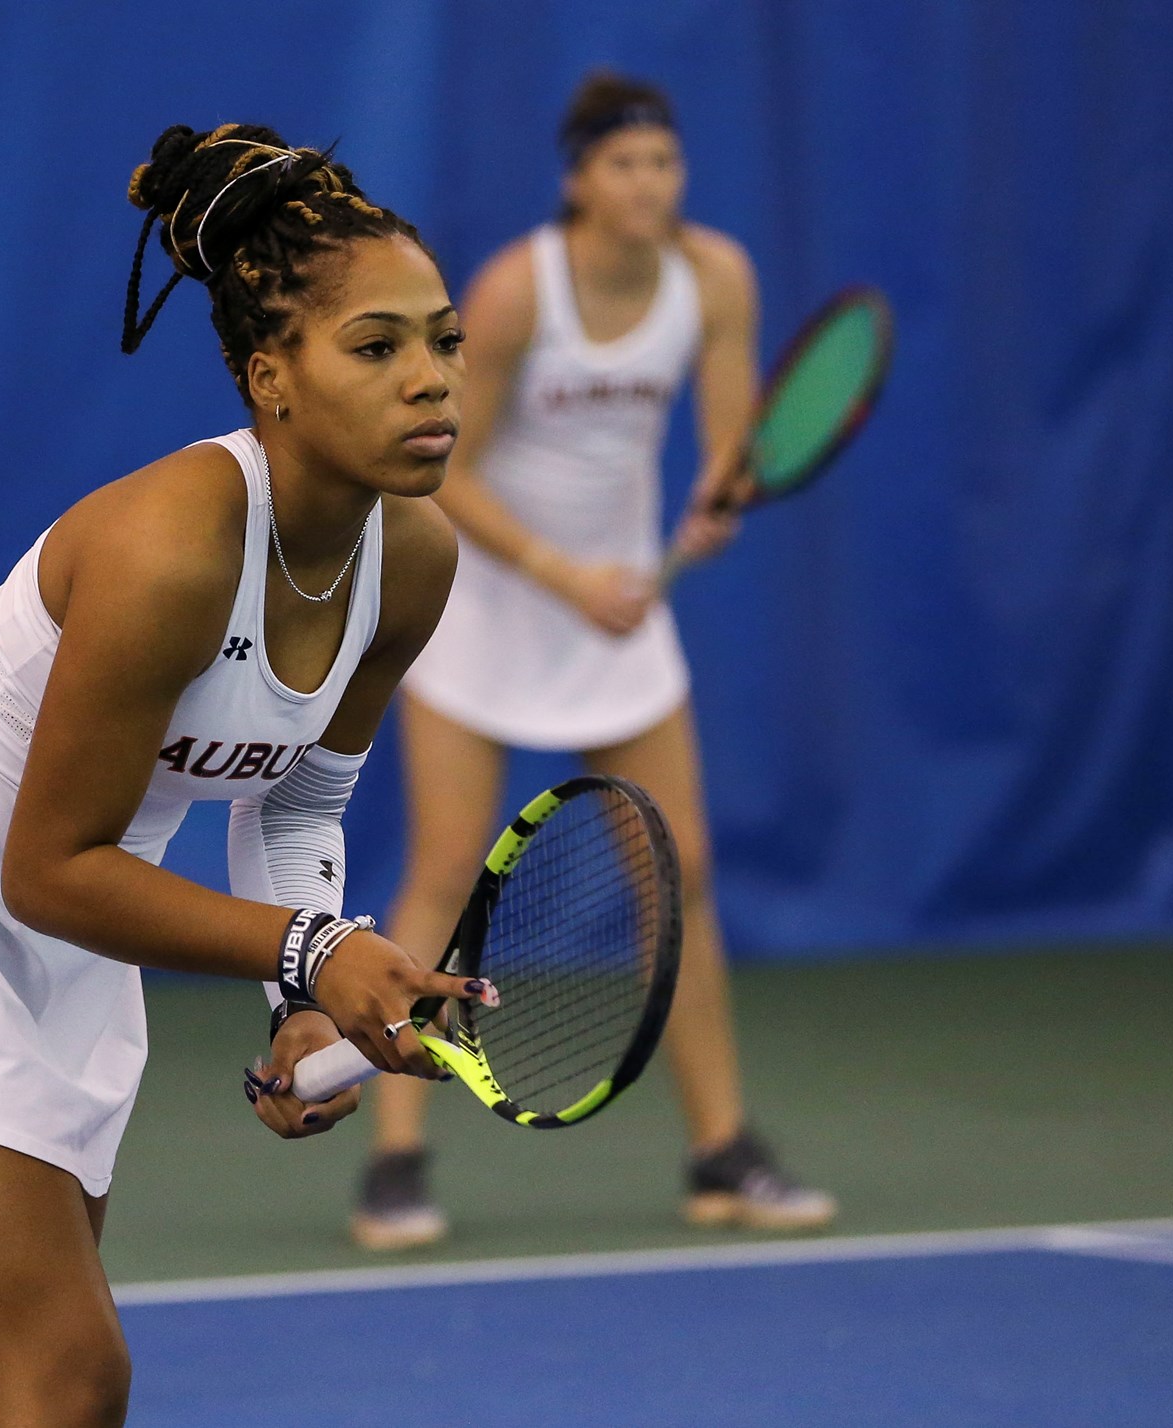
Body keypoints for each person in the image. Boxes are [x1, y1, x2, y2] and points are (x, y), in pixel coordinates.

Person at [0, 122, 492, 1428]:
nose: (429, 381)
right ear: (268, 376)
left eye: (443, 341)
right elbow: (47, 864)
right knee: (67, 1373)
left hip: (65, 949)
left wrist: (296, 994)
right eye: (377, 346)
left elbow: (299, 799)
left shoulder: (413, 560)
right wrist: (314, 948)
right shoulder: (166, 550)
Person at [348, 72, 837, 1252]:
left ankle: (722, 1150)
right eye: (622, 166)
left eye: (663, 164)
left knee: (686, 874)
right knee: (445, 868)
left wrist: (722, 494)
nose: (647, 184)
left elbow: (729, 438)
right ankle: (395, 1159)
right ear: (578, 182)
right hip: (492, 602)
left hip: (621, 612)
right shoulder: (518, 291)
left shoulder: (714, 276)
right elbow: (438, 461)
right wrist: (565, 578)